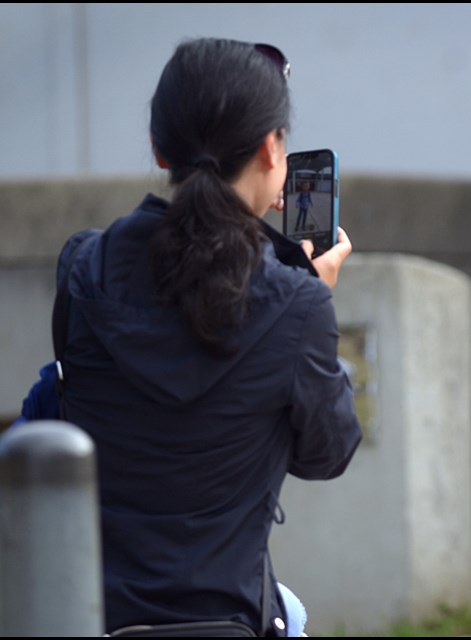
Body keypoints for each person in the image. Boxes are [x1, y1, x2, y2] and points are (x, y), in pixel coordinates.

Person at [51, 38, 362, 636]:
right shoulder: (296, 301)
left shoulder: (84, 267)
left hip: (93, 610)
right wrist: (312, 297)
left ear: (159, 151)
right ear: (272, 148)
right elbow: (326, 453)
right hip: (231, 613)